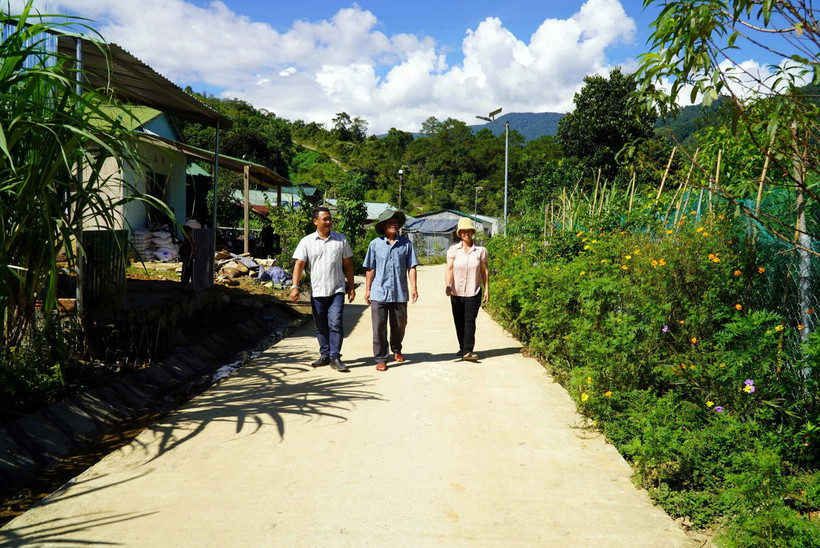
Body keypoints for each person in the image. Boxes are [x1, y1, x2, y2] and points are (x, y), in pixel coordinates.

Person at [290, 207, 356, 372]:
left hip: (337, 289)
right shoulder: (307, 241)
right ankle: (325, 354)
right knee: (320, 326)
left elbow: (347, 264)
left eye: (329, 219)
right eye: (325, 219)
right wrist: (295, 286)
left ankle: (335, 357)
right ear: (315, 221)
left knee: (335, 323)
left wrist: (352, 285)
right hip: (318, 290)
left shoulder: (341, 240)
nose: (328, 222)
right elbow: (299, 264)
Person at [363, 209, 419, 371]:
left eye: (395, 222)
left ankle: (396, 349)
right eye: (390, 222)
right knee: (379, 326)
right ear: (383, 226)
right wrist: (367, 290)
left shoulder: (406, 244)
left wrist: (414, 287)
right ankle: (381, 357)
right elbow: (370, 269)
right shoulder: (375, 244)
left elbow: (412, 267)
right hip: (379, 292)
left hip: (400, 292)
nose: (394, 224)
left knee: (399, 324)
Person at [445, 218, 489, 361]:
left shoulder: (480, 251)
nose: (466, 234)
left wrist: (487, 289)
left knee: (469, 321)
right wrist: (448, 285)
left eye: (469, 231)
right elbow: (449, 268)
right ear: (459, 233)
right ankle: (462, 347)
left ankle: (468, 350)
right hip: (456, 291)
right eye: (463, 231)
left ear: (472, 233)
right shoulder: (453, 250)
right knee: (459, 321)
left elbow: (484, 271)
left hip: (473, 291)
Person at [179, 219, 200, 291]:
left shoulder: (191, 241)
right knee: (186, 273)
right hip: (187, 258)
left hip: (191, 259)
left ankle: (188, 286)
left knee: (190, 272)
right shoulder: (187, 241)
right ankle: (184, 286)